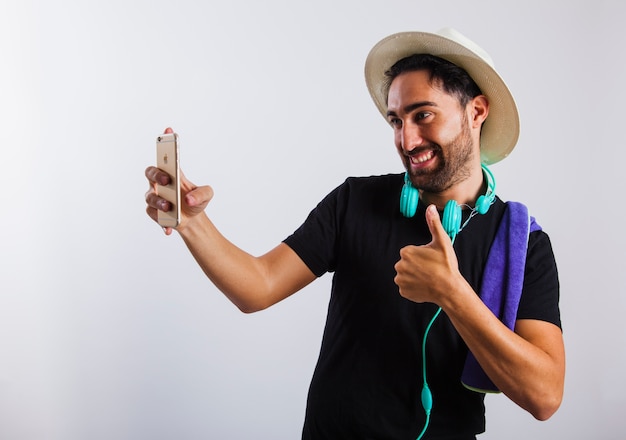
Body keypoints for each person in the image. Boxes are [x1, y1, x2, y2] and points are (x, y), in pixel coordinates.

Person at [145, 28, 565, 439]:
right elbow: (258, 286)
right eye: (396, 121)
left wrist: (453, 294)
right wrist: (191, 222)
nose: (407, 139)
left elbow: (544, 396)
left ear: (476, 112)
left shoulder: (521, 244)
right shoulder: (355, 201)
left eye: (423, 115)